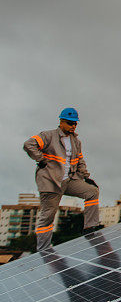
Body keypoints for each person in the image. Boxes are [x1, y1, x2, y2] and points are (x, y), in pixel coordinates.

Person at [22, 107, 102, 251]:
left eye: (75, 124)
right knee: (48, 216)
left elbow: (80, 161)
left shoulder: (76, 142)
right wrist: (40, 159)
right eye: (70, 123)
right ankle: (44, 249)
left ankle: (90, 228)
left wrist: (86, 177)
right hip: (51, 182)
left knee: (92, 192)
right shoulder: (48, 136)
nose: (73, 126)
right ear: (61, 121)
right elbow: (29, 145)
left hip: (69, 181)